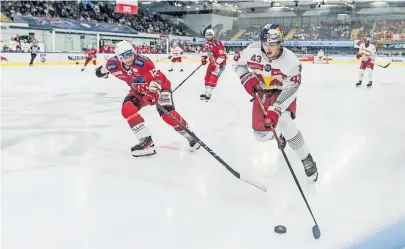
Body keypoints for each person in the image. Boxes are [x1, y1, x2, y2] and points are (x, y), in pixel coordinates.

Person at [232, 24, 318, 181]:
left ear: (280, 43)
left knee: (285, 122)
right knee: (260, 135)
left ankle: (306, 158)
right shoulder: (252, 51)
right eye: (265, 44)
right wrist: (246, 78)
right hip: (261, 92)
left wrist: (277, 108)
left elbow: (293, 87)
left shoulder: (291, 61)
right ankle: (280, 134)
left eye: (272, 44)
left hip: (281, 92)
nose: (267, 48)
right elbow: (237, 64)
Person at [95, 40, 201, 157]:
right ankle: (146, 142)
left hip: (160, 88)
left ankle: (189, 133)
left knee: (167, 115)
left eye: (131, 53)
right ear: (119, 57)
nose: (129, 58)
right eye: (125, 56)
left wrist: (153, 93)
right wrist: (100, 72)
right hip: (138, 91)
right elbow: (104, 69)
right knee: (127, 109)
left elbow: (156, 80)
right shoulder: (112, 64)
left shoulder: (143, 63)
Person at [200, 29, 227, 102]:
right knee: (207, 78)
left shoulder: (218, 43)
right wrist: (203, 59)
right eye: (207, 35)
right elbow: (205, 53)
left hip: (220, 64)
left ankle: (209, 93)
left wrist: (217, 64)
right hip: (212, 63)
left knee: (213, 79)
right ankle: (206, 91)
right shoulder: (206, 44)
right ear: (206, 35)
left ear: (213, 35)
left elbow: (222, 56)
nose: (209, 36)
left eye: (210, 35)